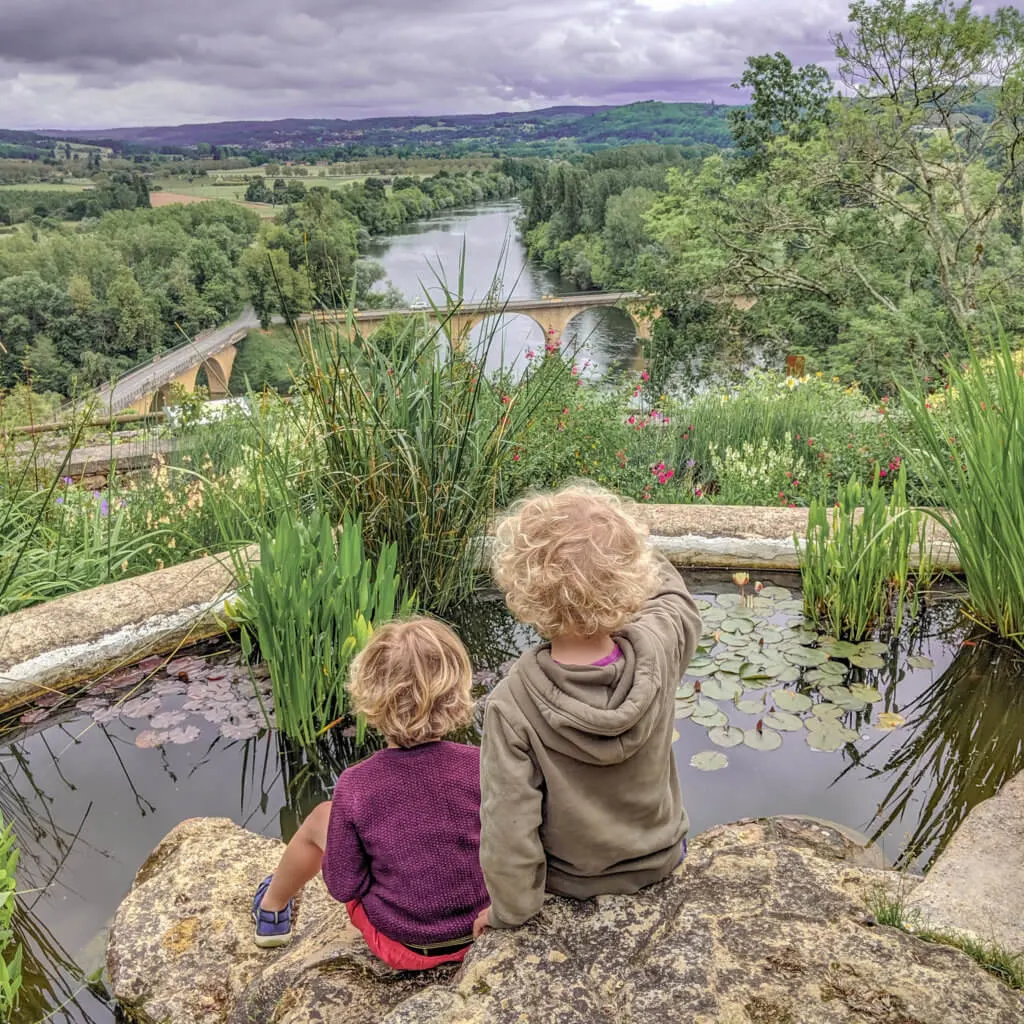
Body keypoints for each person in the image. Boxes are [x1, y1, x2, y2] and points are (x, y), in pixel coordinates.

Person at [474, 483, 701, 937]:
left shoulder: (512, 704)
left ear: (524, 593)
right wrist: (630, 548)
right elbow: (678, 602)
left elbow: (509, 830)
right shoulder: (659, 647)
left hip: (573, 883)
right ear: (630, 580)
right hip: (662, 859)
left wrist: (509, 914)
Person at [252, 617, 489, 970]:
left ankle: (272, 910)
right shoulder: (482, 764)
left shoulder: (357, 784)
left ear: (367, 696)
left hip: (404, 946)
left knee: (321, 817)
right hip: (484, 929)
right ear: (457, 694)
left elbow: (344, 885)